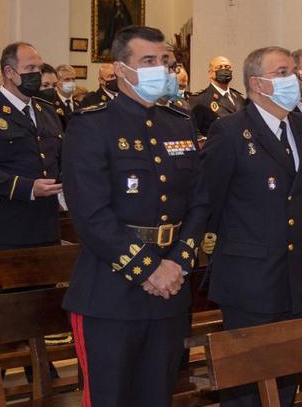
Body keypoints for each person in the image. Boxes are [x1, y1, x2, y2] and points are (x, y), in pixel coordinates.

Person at [61, 26, 209, 406]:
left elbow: (199, 200)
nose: (160, 69)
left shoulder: (179, 120)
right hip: (110, 292)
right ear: (121, 69)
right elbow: (91, 215)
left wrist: (177, 261)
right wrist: (148, 269)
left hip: (171, 290)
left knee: (157, 396)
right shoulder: (92, 123)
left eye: (165, 62)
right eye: (148, 61)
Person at [202, 46, 302, 407]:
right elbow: (209, 201)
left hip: (296, 274)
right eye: (283, 72)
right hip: (249, 278)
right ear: (257, 83)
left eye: (293, 72)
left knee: (285, 378)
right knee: (247, 387)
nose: (293, 80)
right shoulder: (230, 131)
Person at [0, 42, 63, 250]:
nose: (37, 74)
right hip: (7, 225)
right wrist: (28, 188)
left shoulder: (47, 110)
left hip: (47, 224)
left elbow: (60, 158)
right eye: (30, 69)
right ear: (9, 72)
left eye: (39, 68)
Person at [190, 56, 245, 136]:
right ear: (210, 73)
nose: (224, 70)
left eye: (227, 67)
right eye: (219, 67)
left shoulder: (240, 99)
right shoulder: (200, 100)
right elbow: (194, 131)